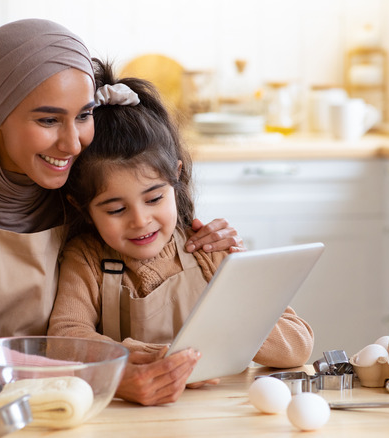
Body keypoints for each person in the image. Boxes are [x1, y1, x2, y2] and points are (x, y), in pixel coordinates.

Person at [0, 18, 243, 407]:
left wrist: (214, 253)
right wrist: (98, 377)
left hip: (74, 407)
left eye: (83, 115)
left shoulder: (78, 182)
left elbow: (144, 254)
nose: (72, 143)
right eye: (48, 120)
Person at [48, 60, 314, 402]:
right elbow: (66, 339)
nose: (140, 220)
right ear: (82, 206)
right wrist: (146, 355)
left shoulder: (209, 249)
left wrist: (238, 302)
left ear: (176, 176)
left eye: (155, 197)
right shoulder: (86, 257)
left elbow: (298, 346)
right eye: (116, 209)